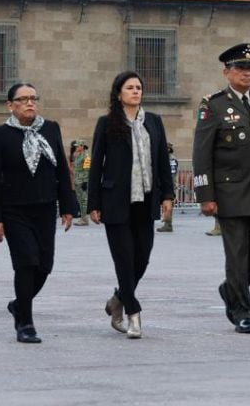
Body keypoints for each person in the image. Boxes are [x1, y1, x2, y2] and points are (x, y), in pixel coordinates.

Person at [192, 43, 250, 334]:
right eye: (240, 68)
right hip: (229, 193)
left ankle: (231, 289)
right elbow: (201, 153)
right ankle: (242, 312)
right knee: (237, 254)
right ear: (227, 72)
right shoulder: (214, 105)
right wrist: (205, 195)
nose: (247, 73)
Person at [0, 83, 78, 343]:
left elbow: (60, 169)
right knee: (26, 262)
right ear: (10, 105)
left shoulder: (50, 128)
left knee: (44, 266)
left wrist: (68, 206)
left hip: (46, 207)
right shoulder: (0, 136)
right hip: (14, 210)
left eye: (33, 98)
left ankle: (18, 303)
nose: (29, 103)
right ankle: (25, 322)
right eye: (23, 99)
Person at [88, 71, 175, 339]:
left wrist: (168, 196)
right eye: (130, 88)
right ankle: (133, 314)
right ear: (119, 94)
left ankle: (117, 299)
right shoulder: (106, 123)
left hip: (146, 200)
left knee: (142, 258)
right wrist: (93, 202)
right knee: (124, 259)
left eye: (139, 87)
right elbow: (96, 166)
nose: (136, 92)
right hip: (115, 201)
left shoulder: (154, 122)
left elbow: (161, 161)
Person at [157, 143, 180, 233]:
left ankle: (168, 224)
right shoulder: (165, 158)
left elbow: (171, 174)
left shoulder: (171, 159)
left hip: (168, 185)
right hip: (163, 184)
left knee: (168, 204)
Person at [70, 141, 91, 227]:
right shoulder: (79, 155)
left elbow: (87, 169)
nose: (76, 147)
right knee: (80, 200)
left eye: (77, 146)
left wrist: (85, 181)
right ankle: (83, 218)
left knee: (83, 200)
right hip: (77, 180)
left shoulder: (86, 156)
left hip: (82, 180)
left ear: (82, 146)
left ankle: (84, 219)